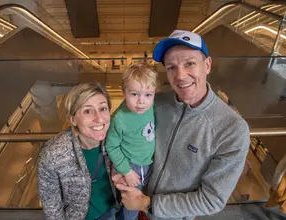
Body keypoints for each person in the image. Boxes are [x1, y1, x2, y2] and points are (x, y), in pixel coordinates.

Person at [114, 30, 251, 220]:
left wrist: (147, 203)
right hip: (136, 206)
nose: (180, 75)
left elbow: (212, 200)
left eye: (190, 64)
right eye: (171, 67)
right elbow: (118, 132)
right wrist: (120, 169)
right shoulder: (154, 103)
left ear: (208, 65)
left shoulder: (232, 129)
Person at [37, 82, 120, 220]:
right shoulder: (53, 154)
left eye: (103, 108)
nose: (99, 118)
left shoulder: (117, 139)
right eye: (88, 111)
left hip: (113, 211)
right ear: (73, 119)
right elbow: (51, 205)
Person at [106, 63, 157, 220]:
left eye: (148, 95)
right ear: (123, 92)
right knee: (132, 204)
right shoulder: (119, 119)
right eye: (134, 94)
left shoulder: (151, 106)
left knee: (148, 200)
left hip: (150, 164)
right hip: (131, 167)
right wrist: (126, 171)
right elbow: (111, 146)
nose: (141, 101)